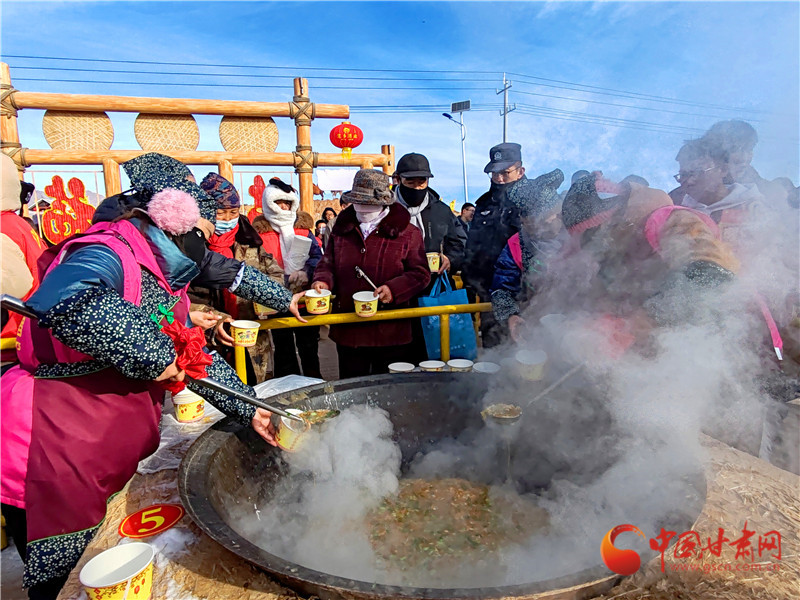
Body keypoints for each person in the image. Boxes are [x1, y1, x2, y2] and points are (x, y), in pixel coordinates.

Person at [0, 154, 306, 600]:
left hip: (103, 443)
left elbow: (191, 352)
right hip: (51, 448)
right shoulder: (105, 250)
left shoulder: (166, 267)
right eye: (202, 231)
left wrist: (250, 408)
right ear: (174, 222)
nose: (207, 242)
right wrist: (152, 351)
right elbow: (67, 301)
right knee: (66, 581)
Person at [311, 169, 430, 378]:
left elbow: (420, 274)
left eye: (369, 203)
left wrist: (393, 290)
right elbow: (327, 263)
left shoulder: (408, 233)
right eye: (358, 202)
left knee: (390, 389)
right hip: (349, 329)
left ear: (384, 203)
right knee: (351, 388)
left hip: (391, 330)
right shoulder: (341, 229)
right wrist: (322, 281)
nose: (363, 208)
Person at [193, 172, 285, 383]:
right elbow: (181, 296)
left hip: (250, 332)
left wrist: (267, 297)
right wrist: (213, 317)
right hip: (209, 336)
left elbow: (274, 273)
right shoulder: (191, 245)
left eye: (233, 212)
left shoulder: (249, 240)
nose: (227, 219)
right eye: (220, 213)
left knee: (255, 388)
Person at [254, 178, 323, 379]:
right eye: (278, 202)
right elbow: (255, 266)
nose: (284, 207)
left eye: (287, 203)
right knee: (283, 350)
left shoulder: (304, 230)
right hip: (275, 300)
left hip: (305, 298)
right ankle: (288, 388)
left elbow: (317, 257)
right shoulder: (259, 234)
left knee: (309, 348)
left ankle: (314, 385)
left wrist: (307, 273)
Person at [462, 142, 528, 347]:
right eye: (494, 173)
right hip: (489, 293)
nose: (499, 179)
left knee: (527, 352)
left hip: (525, 295)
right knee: (493, 349)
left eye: (505, 173)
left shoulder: (533, 201)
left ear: (520, 171)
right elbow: (473, 245)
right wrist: (472, 280)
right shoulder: (483, 204)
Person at [490, 169, 566, 343]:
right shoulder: (516, 245)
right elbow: (501, 288)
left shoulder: (577, 235)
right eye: (527, 221)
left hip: (577, 320)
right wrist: (510, 315)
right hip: (533, 323)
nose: (536, 227)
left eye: (545, 219)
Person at [671, 138, 766, 249]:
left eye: (697, 173)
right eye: (683, 175)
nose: (689, 181)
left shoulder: (755, 209)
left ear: (723, 170)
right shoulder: (678, 211)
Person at [1, 154, 45, 365]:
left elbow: (12, 285)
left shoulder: (3, 228)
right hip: (27, 333)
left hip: (9, 341)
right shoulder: (16, 224)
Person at [393, 153, 466, 281]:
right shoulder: (385, 209)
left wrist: (451, 260)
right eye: (410, 183)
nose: (417, 188)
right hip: (394, 282)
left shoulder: (441, 211)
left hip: (433, 282)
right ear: (398, 180)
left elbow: (459, 244)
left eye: (421, 182)